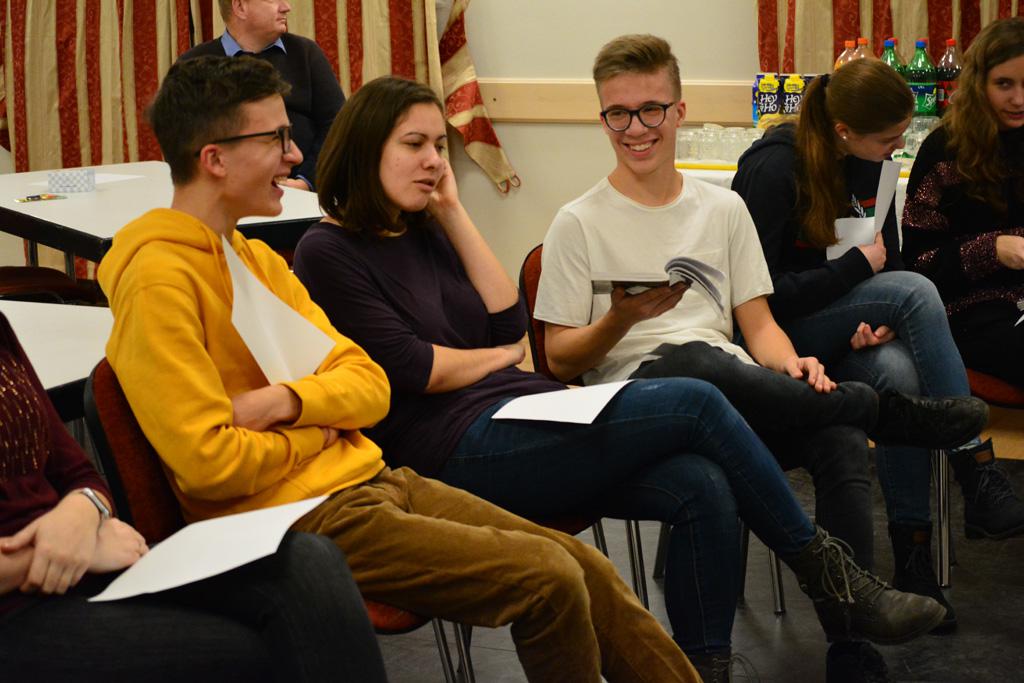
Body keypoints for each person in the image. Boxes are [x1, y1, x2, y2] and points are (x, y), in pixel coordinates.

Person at [292, 74, 953, 683]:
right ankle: (833, 571)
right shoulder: (327, 250)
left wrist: (455, 214)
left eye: (440, 145)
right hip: (448, 444)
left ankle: (702, 670)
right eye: (415, 145)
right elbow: (419, 369)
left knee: (703, 481)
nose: (436, 162)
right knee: (696, 397)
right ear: (365, 148)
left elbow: (506, 324)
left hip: (525, 409)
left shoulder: (426, 226)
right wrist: (497, 357)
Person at [99, 54, 709, 683]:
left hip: (372, 479)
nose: (294, 155)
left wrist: (288, 404)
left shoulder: (255, 259)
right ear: (215, 159)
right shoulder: (158, 280)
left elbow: (368, 387)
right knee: (550, 577)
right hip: (294, 518)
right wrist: (321, 429)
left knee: (588, 569)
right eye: (276, 138)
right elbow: (209, 465)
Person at [533, 34, 986, 682]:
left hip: (733, 387)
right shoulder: (577, 222)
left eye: (651, 109)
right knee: (695, 363)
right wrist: (619, 319)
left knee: (835, 433)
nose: (636, 128)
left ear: (679, 111)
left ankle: (851, 644)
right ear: (602, 118)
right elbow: (556, 358)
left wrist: (793, 366)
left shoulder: (722, 210)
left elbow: (760, 326)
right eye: (618, 113)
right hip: (637, 401)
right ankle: (881, 411)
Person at [731, 56, 1024, 636]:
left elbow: (885, 259)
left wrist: (877, 319)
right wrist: (858, 276)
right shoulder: (773, 169)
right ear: (843, 131)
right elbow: (758, 297)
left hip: (845, 328)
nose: (897, 151)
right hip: (776, 340)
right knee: (915, 290)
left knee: (897, 372)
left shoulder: (875, 164)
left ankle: (912, 561)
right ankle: (973, 467)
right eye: (889, 141)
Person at [0, 312, 388, 682]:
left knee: (309, 561)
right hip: (20, 601)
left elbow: (78, 472)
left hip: (83, 549)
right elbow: (211, 465)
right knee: (251, 652)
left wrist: (83, 511)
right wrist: (65, 551)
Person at [903, 18, 1024, 388]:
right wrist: (993, 249)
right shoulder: (944, 150)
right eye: (1004, 84)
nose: (1019, 99)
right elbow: (918, 267)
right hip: (970, 310)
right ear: (978, 84)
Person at [179, 0, 345, 190]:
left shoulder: (305, 52)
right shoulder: (193, 65)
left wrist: (305, 182)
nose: (286, 7)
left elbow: (338, 124)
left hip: (306, 193)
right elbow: (182, 141)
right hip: (226, 193)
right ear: (240, 7)